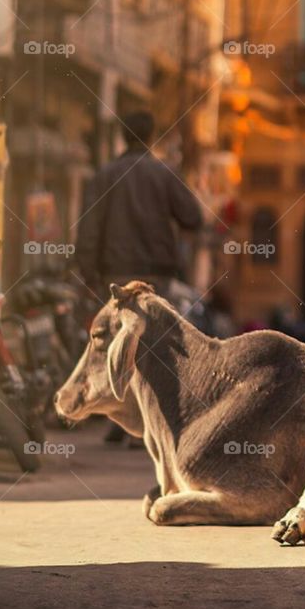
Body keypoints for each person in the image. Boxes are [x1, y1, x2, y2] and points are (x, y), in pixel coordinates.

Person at [75, 111, 203, 440]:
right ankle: (150, 422)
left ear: (122, 136)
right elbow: (193, 217)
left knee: (117, 346)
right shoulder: (164, 174)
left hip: (115, 278)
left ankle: (119, 420)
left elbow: (88, 229)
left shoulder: (104, 176)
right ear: (150, 138)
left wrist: (88, 273)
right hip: (156, 279)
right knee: (156, 349)